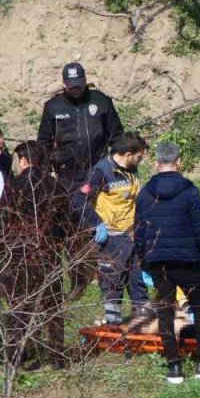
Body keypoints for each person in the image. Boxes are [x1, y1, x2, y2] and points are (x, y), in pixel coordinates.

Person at [38, 62, 125, 299]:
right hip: (67, 175)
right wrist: (46, 172)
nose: (75, 89)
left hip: (99, 171)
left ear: (85, 81)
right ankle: (80, 274)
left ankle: (109, 269)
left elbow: (117, 136)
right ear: (64, 84)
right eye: (71, 85)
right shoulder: (53, 107)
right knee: (74, 225)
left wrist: (116, 164)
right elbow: (43, 143)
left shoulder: (101, 102)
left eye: (79, 84)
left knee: (103, 218)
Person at [133, 142, 200, 384]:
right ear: (179, 162)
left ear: (156, 163)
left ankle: (174, 367)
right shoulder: (190, 191)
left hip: (159, 262)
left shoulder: (145, 193)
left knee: (165, 313)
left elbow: (139, 231)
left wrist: (144, 261)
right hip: (188, 260)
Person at [0, 141, 66, 369]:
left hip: (20, 255)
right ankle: (56, 356)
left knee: (19, 307)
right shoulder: (54, 186)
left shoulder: (13, 187)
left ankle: (15, 357)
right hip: (50, 253)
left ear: (24, 160)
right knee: (53, 307)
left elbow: (2, 222)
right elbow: (67, 222)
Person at [84, 133, 148, 326]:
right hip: (112, 239)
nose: (140, 160)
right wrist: (97, 223)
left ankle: (144, 322)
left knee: (138, 281)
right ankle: (113, 326)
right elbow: (80, 199)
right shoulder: (101, 171)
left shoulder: (131, 170)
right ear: (128, 154)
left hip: (133, 234)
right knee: (113, 284)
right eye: (139, 156)